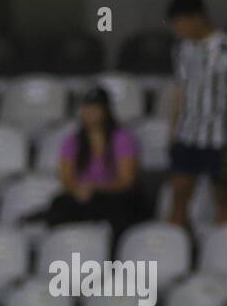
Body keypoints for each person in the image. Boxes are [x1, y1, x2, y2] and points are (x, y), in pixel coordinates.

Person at [165, 0, 227, 226]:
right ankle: (181, 249)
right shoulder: (180, 49)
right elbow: (180, 90)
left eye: (180, 23)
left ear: (196, 18)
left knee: (224, 198)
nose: (178, 29)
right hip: (188, 134)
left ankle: (225, 249)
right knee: (179, 195)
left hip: (221, 137)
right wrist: (173, 127)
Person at [38, 86, 146, 242]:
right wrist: (78, 190)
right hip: (85, 195)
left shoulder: (122, 139)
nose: (90, 113)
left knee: (123, 207)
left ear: (106, 110)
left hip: (112, 194)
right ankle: (64, 248)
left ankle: (115, 257)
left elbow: (126, 181)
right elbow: (66, 178)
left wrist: (95, 188)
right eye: (87, 108)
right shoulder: (73, 141)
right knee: (60, 204)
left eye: (95, 108)